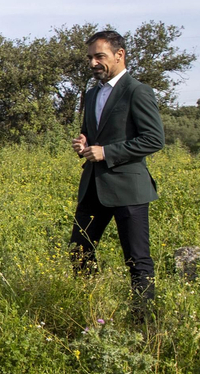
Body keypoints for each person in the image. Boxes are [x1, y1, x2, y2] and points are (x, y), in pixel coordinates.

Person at [69, 29, 165, 312]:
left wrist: (106, 152)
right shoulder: (92, 93)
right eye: (90, 58)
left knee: (137, 259)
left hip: (128, 188)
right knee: (79, 251)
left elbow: (154, 139)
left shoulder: (138, 91)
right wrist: (83, 141)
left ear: (119, 55)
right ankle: (91, 309)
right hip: (93, 186)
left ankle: (144, 321)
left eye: (99, 56)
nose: (93, 63)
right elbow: (91, 133)